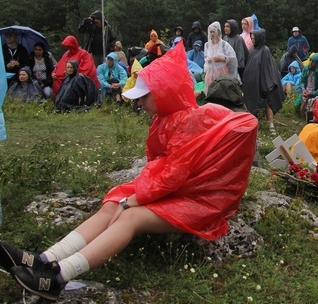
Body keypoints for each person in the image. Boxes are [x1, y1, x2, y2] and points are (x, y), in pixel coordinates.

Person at [0, 46, 257, 300]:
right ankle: (45, 259)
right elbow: (160, 168)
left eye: (144, 96)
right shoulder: (164, 118)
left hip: (200, 201)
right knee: (113, 203)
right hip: (180, 190)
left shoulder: (188, 121)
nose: (139, 102)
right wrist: (129, 198)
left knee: (130, 217)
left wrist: (133, 200)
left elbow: (172, 175)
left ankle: (58, 278)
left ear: (164, 92)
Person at [241, 29, 284, 136]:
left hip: (263, 82)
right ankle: (255, 124)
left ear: (259, 38)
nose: (252, 41)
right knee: (253, 103)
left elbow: (268, 68)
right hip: (253, 83)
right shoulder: (253, 51)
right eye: (251, 39)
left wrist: (266, 83)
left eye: (254, 39)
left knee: (267, 103)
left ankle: (271, 125)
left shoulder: (265, 50)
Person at [203, 21, 239, 90]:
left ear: (218, 32)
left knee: (221, 91)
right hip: (210, 72)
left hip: (221, 71)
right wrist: (205, 71)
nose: (212, 34)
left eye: (214, 32)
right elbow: (205, 59)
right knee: (210, 90)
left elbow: (232, 58)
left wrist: (220, 59)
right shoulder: (207, 45)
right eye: (211, 32)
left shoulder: (224, 44)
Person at [296, 52, 318, 120]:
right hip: (306, 91)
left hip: (317, 93)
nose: (310, 63)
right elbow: (301, 80)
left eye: (313, 62)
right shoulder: (306, 69)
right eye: (310, 60)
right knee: (302, 109)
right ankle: (303, 119)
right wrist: (303, 89)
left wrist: (312, 94)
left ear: (317, 63)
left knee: (313, 110)